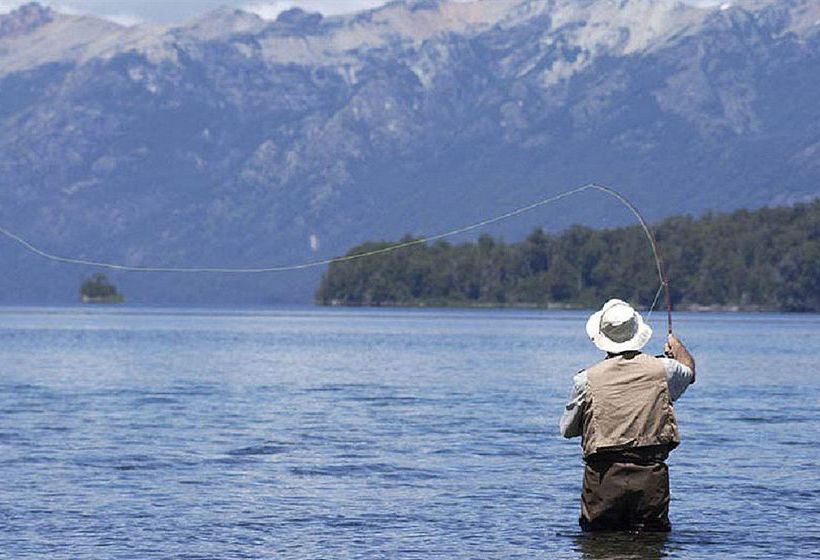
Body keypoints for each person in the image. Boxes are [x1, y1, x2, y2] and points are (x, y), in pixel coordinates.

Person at [560, 298, 695, 532]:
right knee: (650, 544)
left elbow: (568, 430)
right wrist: (677, 346)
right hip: (651, 478)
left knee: (599, 546)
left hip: (603, 480)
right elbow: (690, 371)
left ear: (601, 339)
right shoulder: (665, 370)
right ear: (637, 332)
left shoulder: (585, 380)